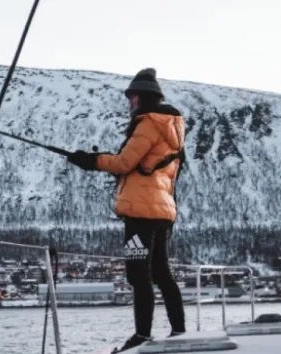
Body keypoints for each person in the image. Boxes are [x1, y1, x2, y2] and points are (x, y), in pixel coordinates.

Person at [67, 68, 186, 352]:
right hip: (162, 210)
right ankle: (179, 330)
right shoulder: (171, 128)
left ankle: (142, 335)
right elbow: (145, 168)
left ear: (144, 98)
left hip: (140, 213)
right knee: (161, 273)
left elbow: (123, 163)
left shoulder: (148, 125)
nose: (129, 102)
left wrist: (91, 160)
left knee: (138, 275)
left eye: (132, 97)